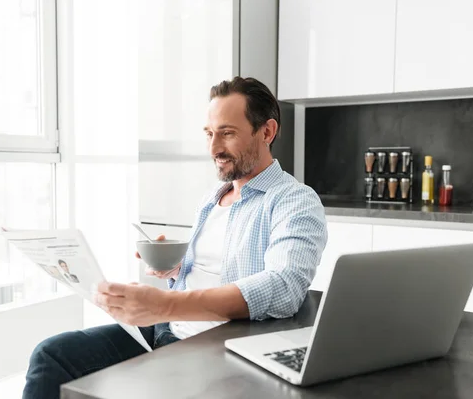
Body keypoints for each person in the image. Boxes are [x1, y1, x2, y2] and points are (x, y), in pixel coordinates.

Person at [22, 76, 327, 398]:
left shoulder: (293, 200)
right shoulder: (214, 197)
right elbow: (215, 271)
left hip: (215, 342)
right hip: (168, 328)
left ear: (266, 132)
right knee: (51, 355)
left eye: (227, 133)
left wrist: (166, 305)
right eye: (209, 134)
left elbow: (284, 286)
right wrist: (178, 268)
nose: (214, 148)